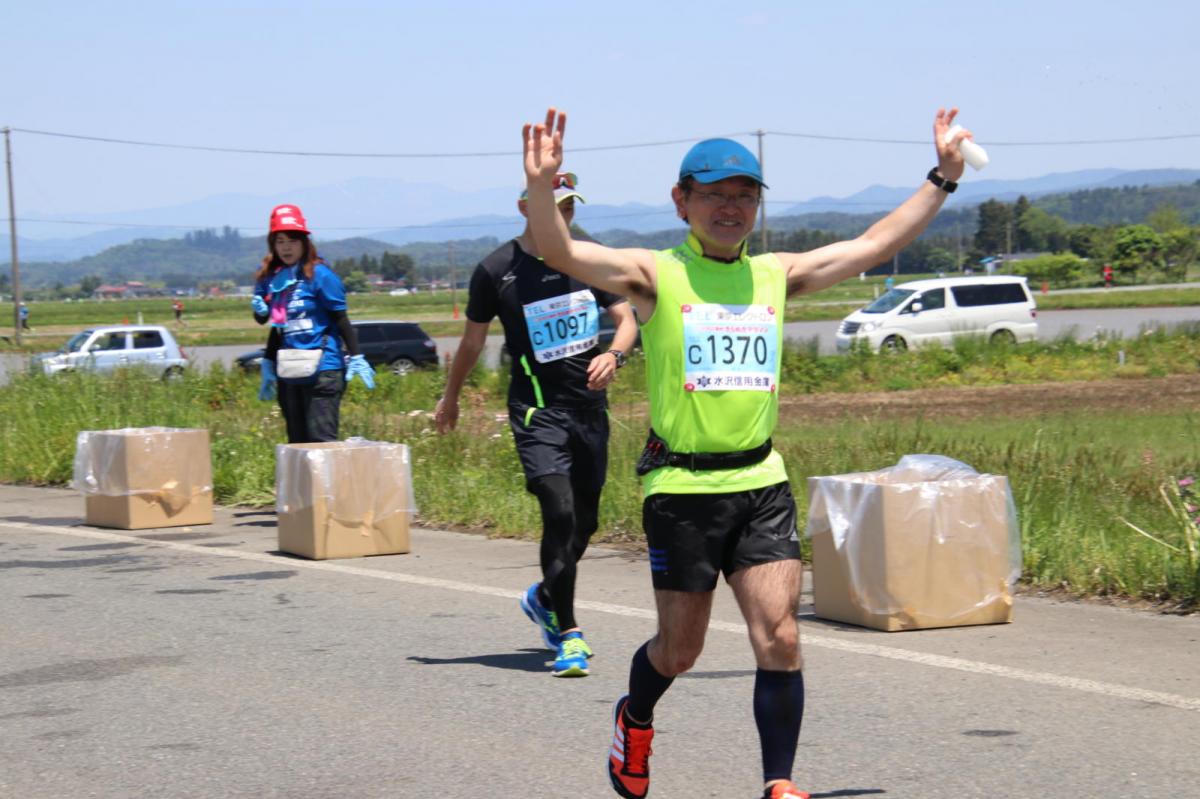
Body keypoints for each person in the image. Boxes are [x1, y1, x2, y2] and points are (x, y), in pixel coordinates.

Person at [521, 107, 969, 799]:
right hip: (681, 487)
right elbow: (563, 254)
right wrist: (545, 189)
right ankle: (634, 716)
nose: (731, 207)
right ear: (683, 201)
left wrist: (942, 177)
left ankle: (779, 783)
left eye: (745, 195)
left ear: (758, 205)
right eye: (714, 193)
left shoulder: (774, 275)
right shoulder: (656, 273)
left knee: (781, 636)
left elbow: (876, 242)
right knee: (680, 650)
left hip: (761, 480)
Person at [434, 173, 638, 678]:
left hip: (590, 411)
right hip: (537, 412)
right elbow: (472, 343)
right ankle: (568, 632)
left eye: (570, 208)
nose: (563, 217)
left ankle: (544, 595)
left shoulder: (589, 257)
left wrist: (614, 354)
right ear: (527, 207)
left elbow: (627, 319)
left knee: (586, 523)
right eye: (554, 206)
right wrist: (451, 398)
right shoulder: (496, 270)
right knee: (561, 513)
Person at [252, 204, 376, 443]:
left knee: (321, 443)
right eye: (280, 241)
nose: (286, 247)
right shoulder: (276, 279)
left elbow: (341, 319)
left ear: (304, 242)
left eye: (292, 241)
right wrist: (268, 362)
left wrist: (357, 356)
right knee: (296, 445)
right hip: (290, 370)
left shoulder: (321, 275)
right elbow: (277, 328)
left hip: (323, 369)